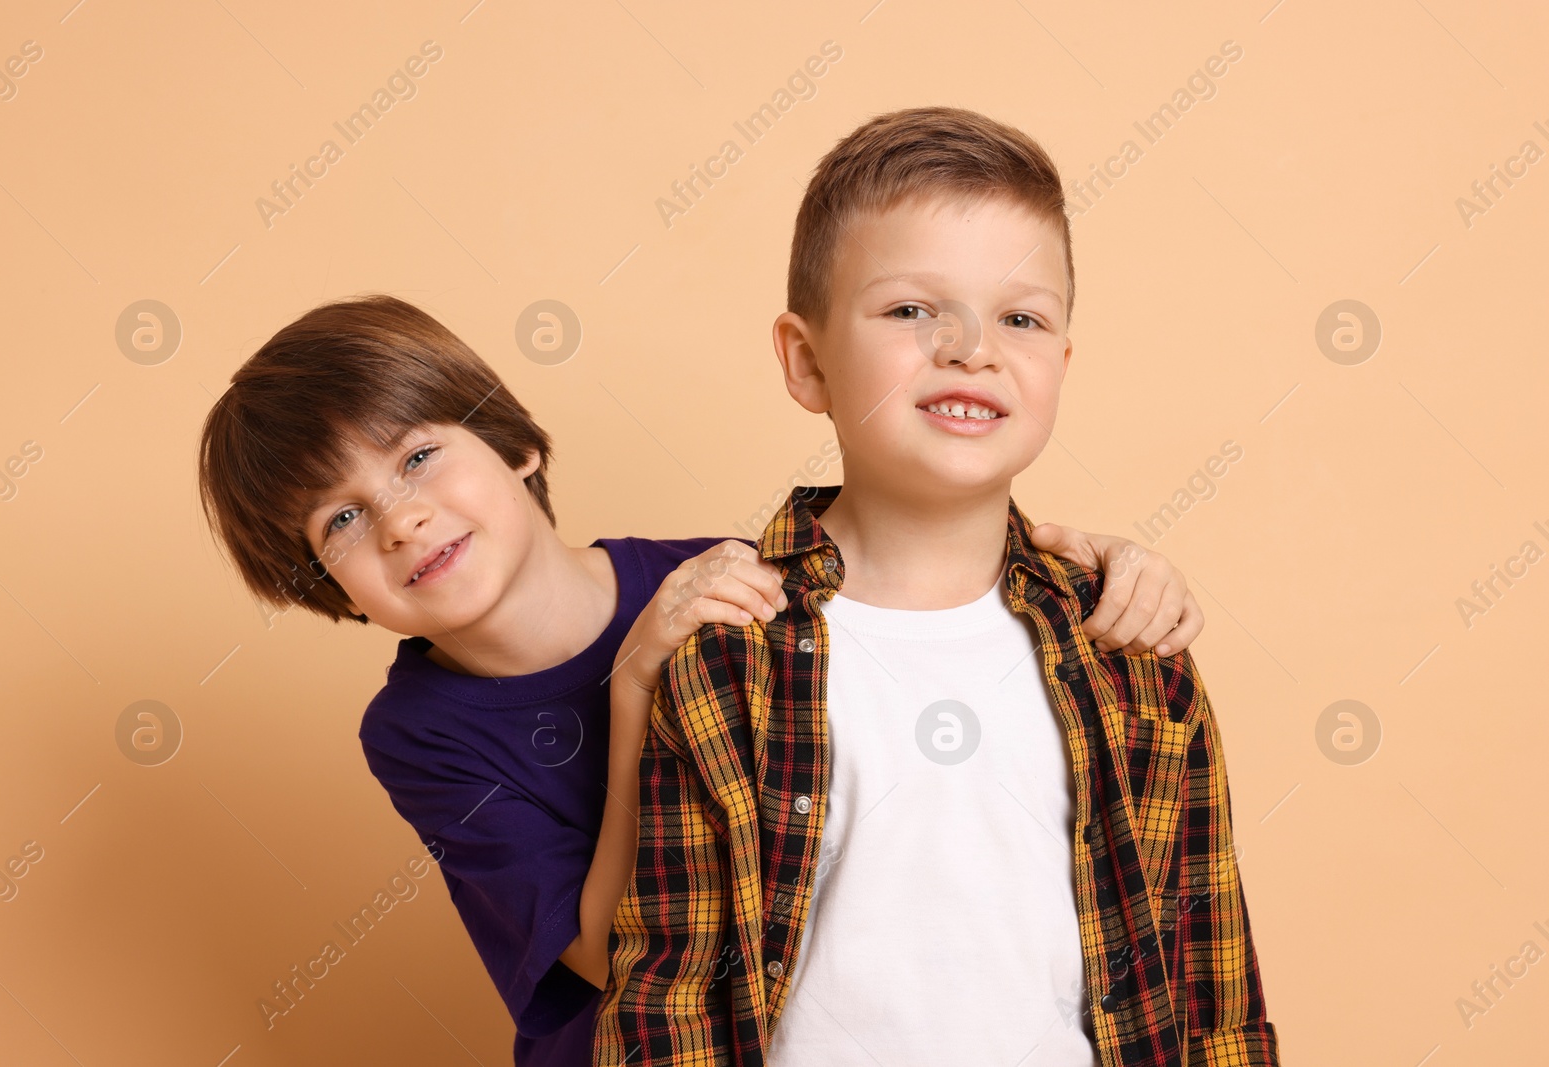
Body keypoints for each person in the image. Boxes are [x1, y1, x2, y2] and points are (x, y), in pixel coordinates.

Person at [195, 294, 1212, 1067]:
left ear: (516, 445)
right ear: (327, 586)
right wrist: (635, 687)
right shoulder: (418, 730)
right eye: (339, 519)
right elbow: (600, 956)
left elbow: (938, 620)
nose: (400, 519)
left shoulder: (727, 576)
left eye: (418, 455)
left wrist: (1106, 570)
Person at [594, 106, 1280, 1066]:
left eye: (1021, 317)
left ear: (1061, 365)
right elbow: (670, 987)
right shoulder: (727, 649)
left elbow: (1214, 990)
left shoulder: (1130, 646)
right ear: (807, 360)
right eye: (913, 309)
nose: (971, 347)